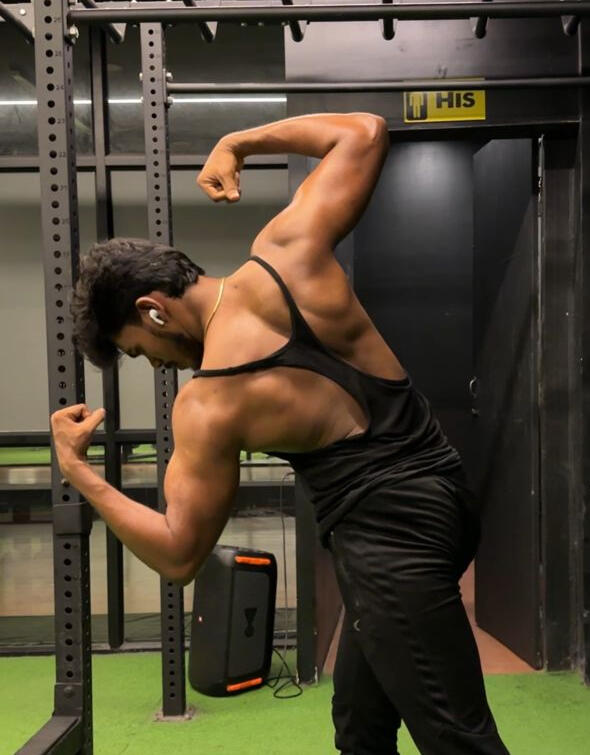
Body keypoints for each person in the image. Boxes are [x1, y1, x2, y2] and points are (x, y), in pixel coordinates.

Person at [51, 112, 510, 755]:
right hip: (445, 498)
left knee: (458, 739)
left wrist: (80, 474)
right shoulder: (286, 252)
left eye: (138, 350)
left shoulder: (210, 403)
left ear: (152, 311)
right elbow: (364, 132)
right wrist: (237, 140)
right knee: (360, 725)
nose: (155, 365)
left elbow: (180, 554)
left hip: (387, 545)